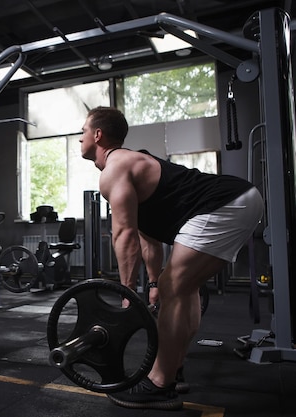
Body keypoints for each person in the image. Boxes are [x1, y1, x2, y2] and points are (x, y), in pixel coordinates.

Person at [79, 106, 263, 410]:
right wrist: (152, 282)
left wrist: (126, 295)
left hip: (223, 206)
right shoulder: (134, 165)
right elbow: (146, 239)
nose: (79, 140)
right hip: (240, 202)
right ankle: (174, 370)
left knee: (175, 287)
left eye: (82, 133)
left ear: (97, 135)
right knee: (179, 288)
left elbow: (123, 233)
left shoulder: (115, 167)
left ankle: (158, 383)